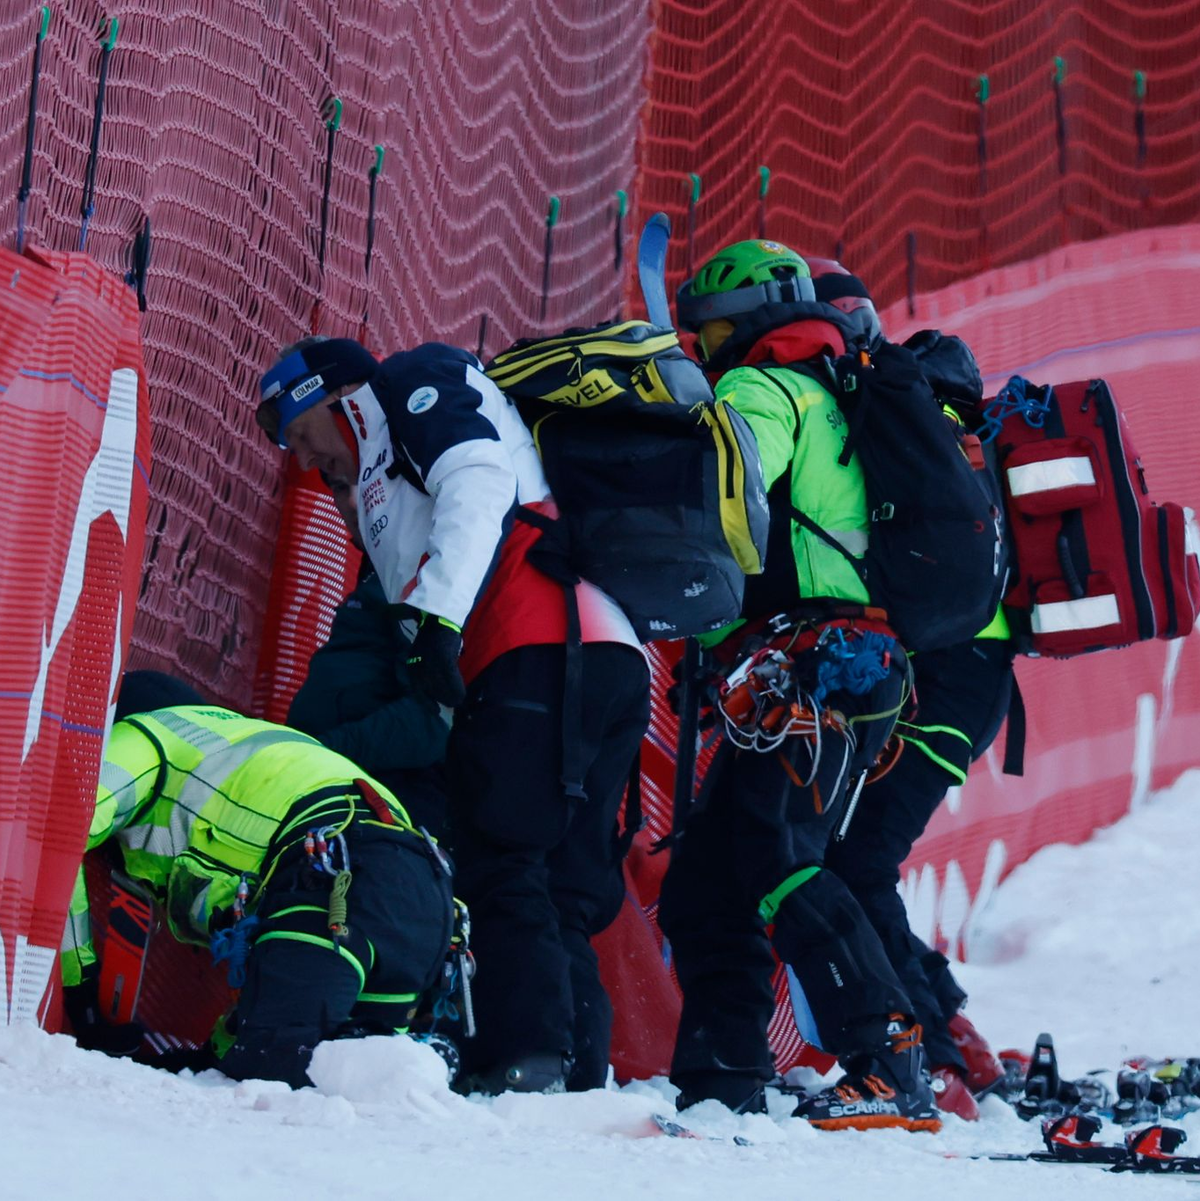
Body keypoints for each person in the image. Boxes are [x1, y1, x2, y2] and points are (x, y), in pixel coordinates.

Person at [256, 337, 650, 1094]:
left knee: (501, 856)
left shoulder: (409, 380)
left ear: (331, 399)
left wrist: (436, 621)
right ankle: (576, 1073)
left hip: (533, 645)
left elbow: (478, 476)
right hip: (603, 653)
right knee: (560, 878)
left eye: (302, 436)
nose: (307, 463)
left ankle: (526, 1058)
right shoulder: (377, 484)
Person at [660, 240, 936, 1131]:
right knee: (709, 877)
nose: (699, 349)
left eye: (703, 330)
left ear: (737, 321)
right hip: (851, 660)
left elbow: (731, 493)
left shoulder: (761, 388)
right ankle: (722, 1075)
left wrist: (693, 598)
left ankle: (888, 1059)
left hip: (815, 660)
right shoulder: (833, 382)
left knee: (780, 854)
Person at [806, 261, 1013, 1120]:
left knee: (856, 859)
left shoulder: (890, 404)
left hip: (947, 677)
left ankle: (931, 1054)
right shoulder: (933, 412)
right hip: (966, 676)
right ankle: (955, 1034)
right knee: (860, 856)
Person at [60, 670, 456, 1088]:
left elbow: (61, 833)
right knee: (366, 1085)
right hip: (425, 894)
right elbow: (272, 964)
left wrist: (80, 987)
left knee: (274, 1077)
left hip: (337, 883)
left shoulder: (145, 734)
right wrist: (212, 1057)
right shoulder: (253, 744)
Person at [287, 473, 451, 838]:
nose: (348, 503)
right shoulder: (384, 572)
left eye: (359, 483)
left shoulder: (432, 578)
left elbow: (430, 721)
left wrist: (320, 754)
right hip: (328, 791)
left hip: (376, 811)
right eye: (338, 486)